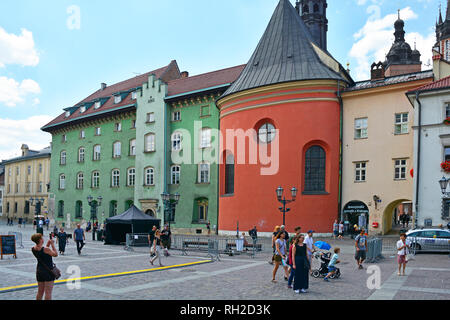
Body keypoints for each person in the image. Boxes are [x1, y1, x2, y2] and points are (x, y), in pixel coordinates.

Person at [31, 233, 58, 300]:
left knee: (40, 292)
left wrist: (48, 244)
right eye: (42, 238)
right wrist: (52, 244)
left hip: (39, 271)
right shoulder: (46, 249)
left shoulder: (33, 249)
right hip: (48, 271)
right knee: (48, 293)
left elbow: (44, 251)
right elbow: (55, 254)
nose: (43, 239)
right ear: (40, 240)